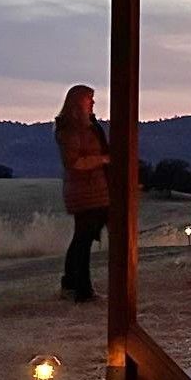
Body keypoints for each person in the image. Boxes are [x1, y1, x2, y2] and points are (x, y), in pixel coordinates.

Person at [54, 85, 110, 302]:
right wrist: (103, 160)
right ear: (77, 103)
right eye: (89, 99)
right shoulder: (70, 130)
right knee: (83, 240)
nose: (93, 103)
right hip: (84, 191)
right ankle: (82, 290)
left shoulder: (89, 126)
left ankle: (71, 283)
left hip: (95, 189)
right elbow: (74, 162)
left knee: (82, 238)